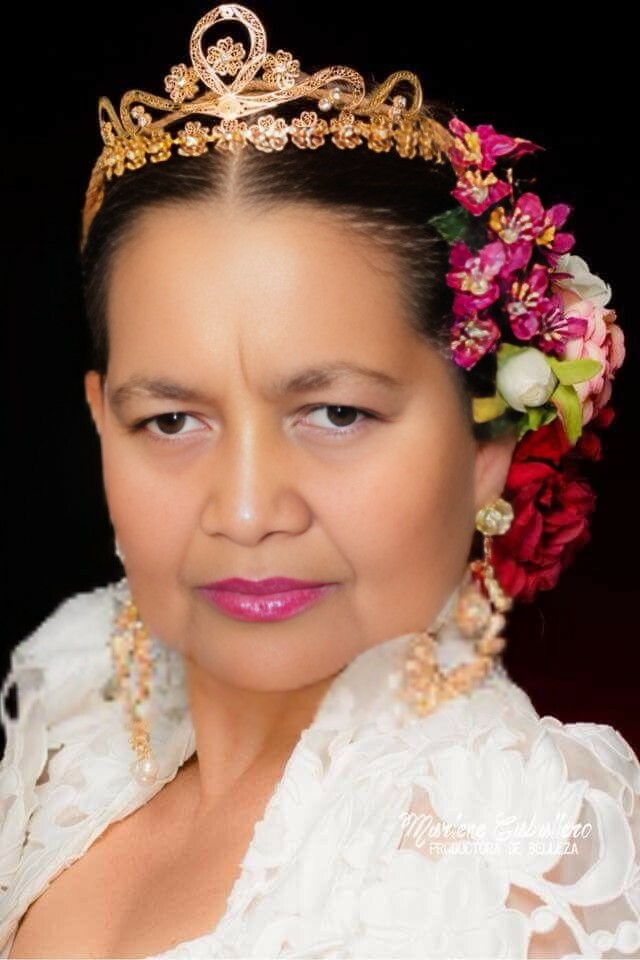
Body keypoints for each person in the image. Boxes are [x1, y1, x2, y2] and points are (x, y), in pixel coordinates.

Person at [1, 3, 638, 958]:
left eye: (335, 414)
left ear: (487, 444)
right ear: (101, 426)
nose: (246, 510)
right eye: (171, 421)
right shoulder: (58, 754)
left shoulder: (517, 866)